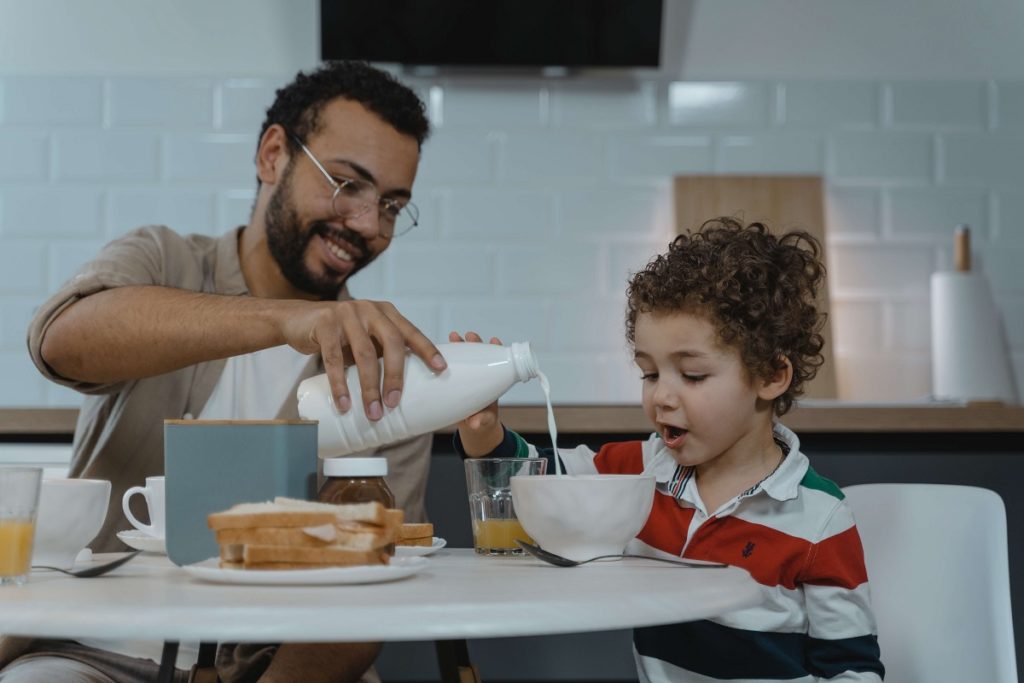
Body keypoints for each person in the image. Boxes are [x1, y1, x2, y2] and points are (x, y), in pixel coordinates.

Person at [1, 61, 444, 683]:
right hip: (89, 652)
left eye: (392, 205)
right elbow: (60, 343)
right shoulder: (163, 260)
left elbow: (368, 603)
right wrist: (279, 319)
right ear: (272, 156)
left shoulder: (382, 364)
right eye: (347, 184)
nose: (369, 226)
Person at [454, 218, 886, 682]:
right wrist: (483, 428)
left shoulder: (820, 520)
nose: (661, 396)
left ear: (770, 377)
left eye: (693, 375)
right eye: (650, 373)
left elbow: (853, 670)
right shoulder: (641, 472)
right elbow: (539, 477)